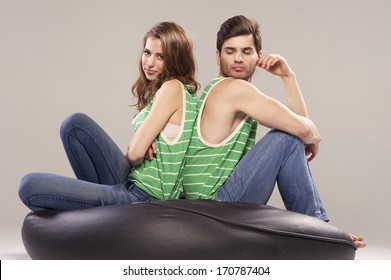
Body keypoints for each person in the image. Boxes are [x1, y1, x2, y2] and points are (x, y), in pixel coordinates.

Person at [183, 15, 366, 248]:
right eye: (230, 51)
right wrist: (313, 137)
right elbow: (302, 128)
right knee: (285, 138)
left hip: (214, 203)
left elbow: (300, 127)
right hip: (217, 206)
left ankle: (320, 229)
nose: (238, 58)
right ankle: (320, 230)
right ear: (218, 57)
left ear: (258, 57)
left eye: (246, 51)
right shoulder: (233, 89)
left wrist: (288, 77)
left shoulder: (220, 88)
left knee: (290, 137)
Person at [18, 21, 199, 211]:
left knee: (28, 185)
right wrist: (143, 142)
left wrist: (138, 145)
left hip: (143, 196)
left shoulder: (172, 88)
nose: (150, 63)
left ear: (176, 60)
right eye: (147, 53)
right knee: (74, 125)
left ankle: (96, 209)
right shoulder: (172, 90)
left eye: (160, 57)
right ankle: (98, 209)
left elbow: (135, 153)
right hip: (132, 182)